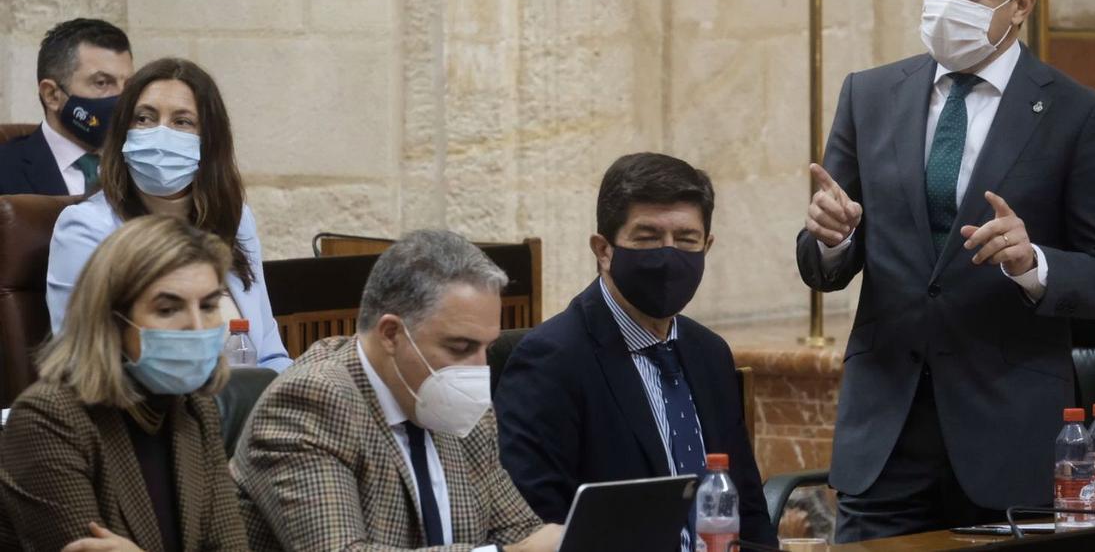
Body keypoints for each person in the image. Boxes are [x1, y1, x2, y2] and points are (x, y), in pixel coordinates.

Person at [795, 0, 1095, 542]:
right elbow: (822, 264)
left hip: (1008, 440)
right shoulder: (868, 95)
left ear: (1020, 4)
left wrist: (1034, 264)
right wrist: (834, 236)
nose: (947, 4)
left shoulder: (1077, 115)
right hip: (885, 435)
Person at [494, 152, 775, 549]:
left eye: (685, 239)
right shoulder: (552, 361)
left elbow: (746, 507)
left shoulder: (709, 353)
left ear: (707, 246)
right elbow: (533, 524)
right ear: (603, 250)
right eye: (647, 238)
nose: (668, 253)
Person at [232, 229, 562, 552]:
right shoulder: (309, 402)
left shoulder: (460, 404)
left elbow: (520, 532)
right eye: (461, 346)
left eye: (486, 349)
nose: (478, 368)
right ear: (391, 333)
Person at [0, 215, 250, 550]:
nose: (196, 325)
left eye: (208, 306)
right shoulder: (49, 419)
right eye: (167, 309)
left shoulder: (194, 409)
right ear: (112, 322)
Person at [46, 57, 292, 372]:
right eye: (145, 118)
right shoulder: (85, 227)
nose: (160, 134)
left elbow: (270, 354)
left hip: (248, 410)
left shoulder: (236, 217)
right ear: (124, 131)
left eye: (182, 121)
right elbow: (81, 365)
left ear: (209, 141)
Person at [0, 18, 134, 196]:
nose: (123, 99)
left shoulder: (141, 166)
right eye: (102, 83)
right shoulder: (6, 170)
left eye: (129, 85)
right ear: (52, 95)